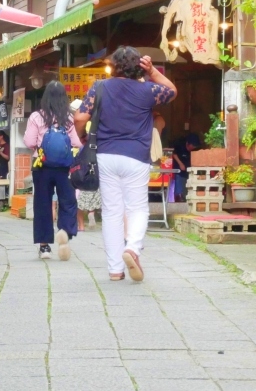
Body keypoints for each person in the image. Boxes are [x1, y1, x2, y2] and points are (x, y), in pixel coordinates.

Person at [75, 47, 177, 282]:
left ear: (113, 66)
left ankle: (114, 270)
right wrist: (151, 71)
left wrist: (82, 137)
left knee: (111, 212)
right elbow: (172, 90)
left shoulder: (99, 87)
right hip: (136, 156)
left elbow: (80, 117)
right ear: (138, 67)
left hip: (105, 155)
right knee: (137, 208)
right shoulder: (148, 90)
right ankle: (132, 247)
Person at [25, 82, 82, 260]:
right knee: (68, 201)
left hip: (42, 165)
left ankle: (44, 247)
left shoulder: (36, 116)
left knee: (42, 203)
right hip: (65, 167)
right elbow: (77, 143)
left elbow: (29, 141)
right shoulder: (69, 118)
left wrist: (41, 148)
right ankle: (64, 231)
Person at [71, 99, 101, 232]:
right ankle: (91, 212)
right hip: (94, 162)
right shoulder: (95, 124)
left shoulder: (78, 124)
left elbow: (76, 141)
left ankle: (81, 226)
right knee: (93, 190)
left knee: (79, 195)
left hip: (80, 162)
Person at [172, 133, 201, 202]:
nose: (193, 147)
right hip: (179, 168)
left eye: (195, 146)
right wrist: (180, 164)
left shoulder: (195, 150)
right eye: (192, 145)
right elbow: (174, 154)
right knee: (179, 177)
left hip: (188, 169)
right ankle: (178, 196)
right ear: (188, 143)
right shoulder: (180, 145)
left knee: (187, 182)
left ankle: (185, 197)